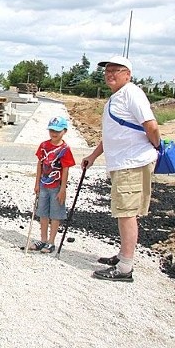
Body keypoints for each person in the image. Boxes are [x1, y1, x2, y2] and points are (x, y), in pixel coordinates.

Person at [82, 55, 160, 282]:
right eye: (107, 70)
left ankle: (125, 268)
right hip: (123, 164)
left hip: (132, 163)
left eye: (116, 70)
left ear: (128, 74)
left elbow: (151, 125)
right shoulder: (116, 99)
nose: (110, 74)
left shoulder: (132, 93)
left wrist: (155, 146)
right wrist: (93, 156)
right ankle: (122, 255)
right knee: (122, 210)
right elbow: (112, 136)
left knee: (126, 213)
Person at [28, 116, 76, 254]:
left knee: (55, 214)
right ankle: (43, 239)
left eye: (57, 131)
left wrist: (63, 189)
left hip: (56, 187)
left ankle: (51, 241)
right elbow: (40, 164)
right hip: (43, 185)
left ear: (64, 131)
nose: (54, 133)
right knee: (43, 213)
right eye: (51, 130)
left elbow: (66, 169)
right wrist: (37, 182)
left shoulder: (65, 149)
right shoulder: (44, 145)